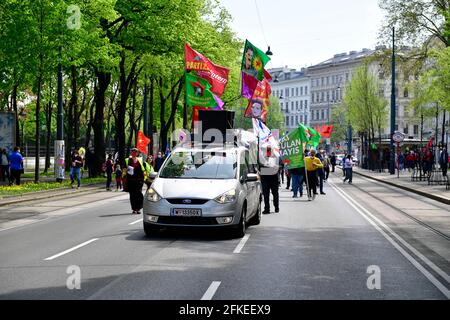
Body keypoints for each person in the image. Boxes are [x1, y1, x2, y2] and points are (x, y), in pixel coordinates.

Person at [124, 148, 147, 214]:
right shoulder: (127, 160)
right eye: (133, 152)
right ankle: (134, 208)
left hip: (139, 181)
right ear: (131, 153)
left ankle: (138, 208)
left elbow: (144, 169)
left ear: (137, 153)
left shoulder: (140, 160)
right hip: (131, 181)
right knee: (132, 195)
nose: (134, 153)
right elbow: (124, 170)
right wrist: (126, 171)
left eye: (135, 152)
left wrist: (143, 179)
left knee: (139, 194)